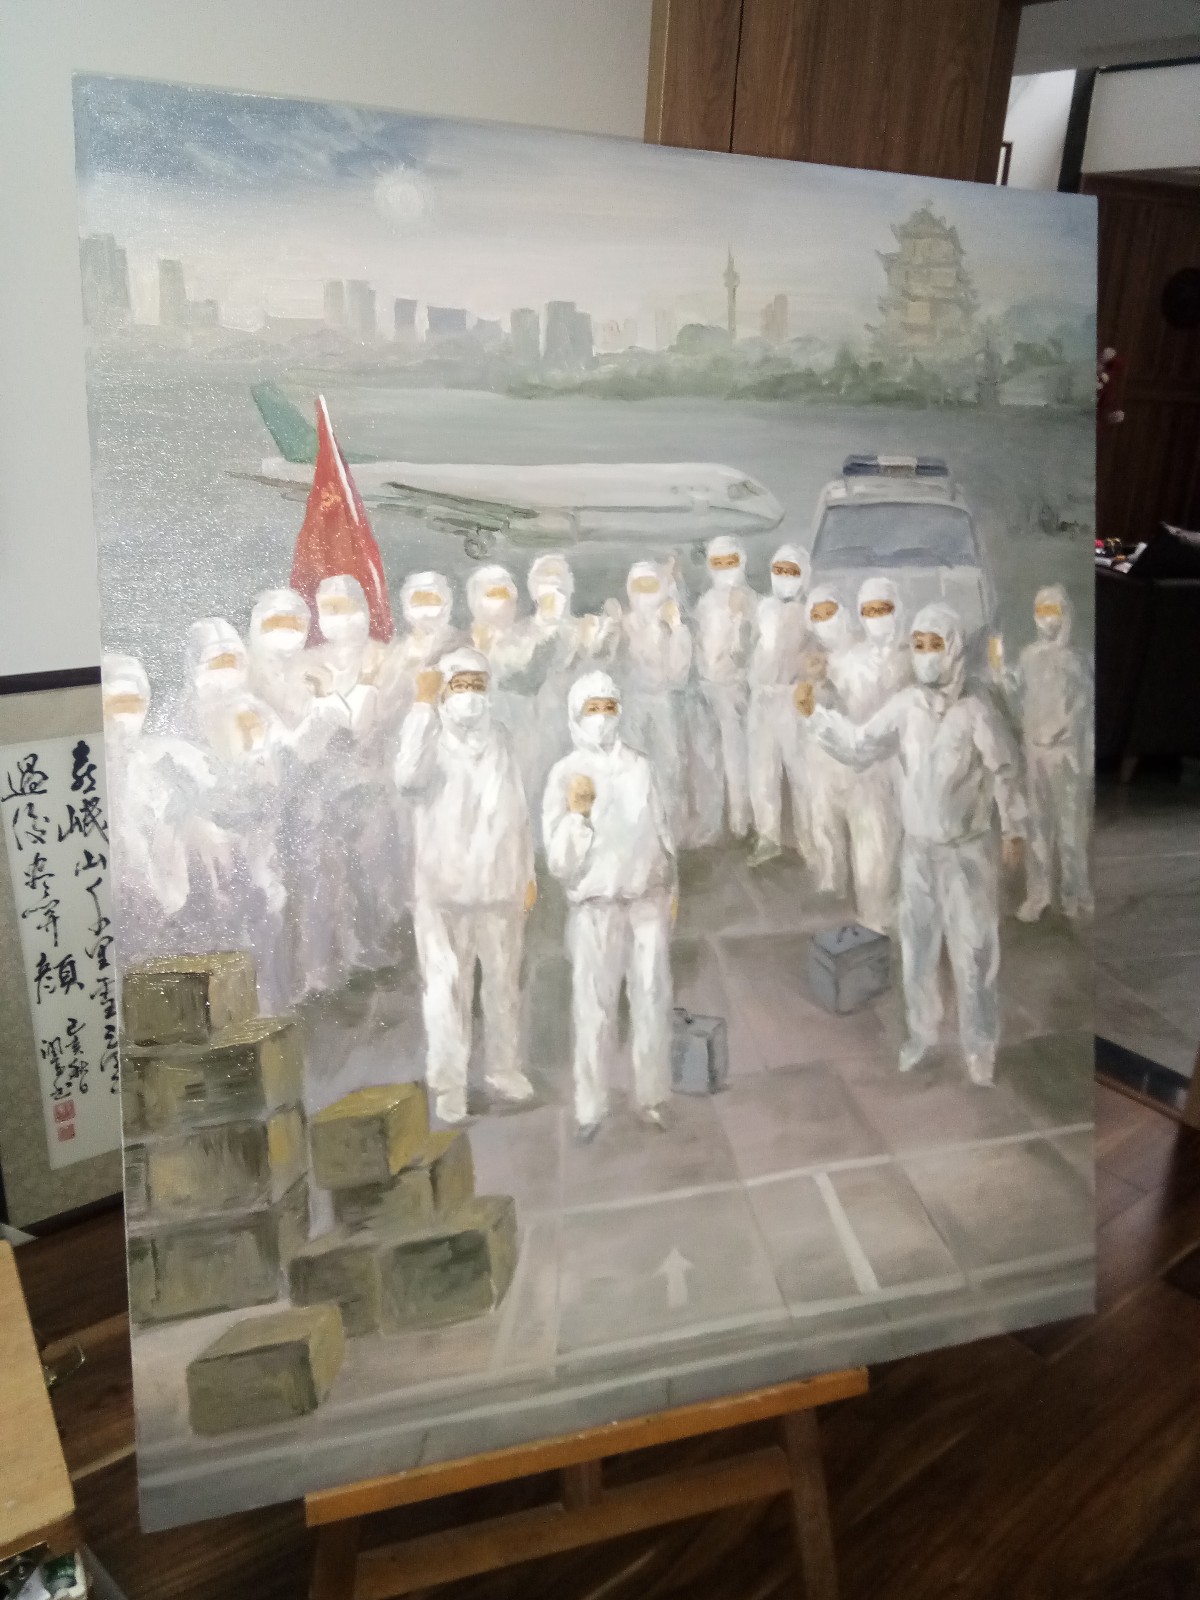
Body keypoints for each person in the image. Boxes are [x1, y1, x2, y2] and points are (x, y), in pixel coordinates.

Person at [798, 602, 1026, 1086]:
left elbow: (1006, 770)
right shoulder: (906, 706)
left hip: (967, 854)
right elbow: (860, 745)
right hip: (918, 851)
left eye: (934, 644)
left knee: (974, 952)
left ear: (954, 649)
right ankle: (921, 1036)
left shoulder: (975, 712)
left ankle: (980, 1047)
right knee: (917, 951)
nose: (925, 654)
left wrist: (1014, 829)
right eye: (918, 644)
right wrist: (815, 716)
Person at [393, 646, 537, 1123]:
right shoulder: (428, 737)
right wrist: (421, 705)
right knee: (445, 989)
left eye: (478, 685)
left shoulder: (502, 739)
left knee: (503, 984)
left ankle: (503, 1070)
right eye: (460, 685)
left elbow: (518, 809)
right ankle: (450, 1084)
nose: (470, 695)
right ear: (443, 690)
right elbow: (406, 778)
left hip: (500, 884)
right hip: (443, 888)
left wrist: (527, 873)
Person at [543, 671, 676, 1141]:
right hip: (595, 906)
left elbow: (661, 830)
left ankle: (652, 1096)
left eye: (608, 708)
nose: (601, 718)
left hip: (646, 901)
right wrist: (578, 816)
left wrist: (670, 887)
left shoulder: (640, 767)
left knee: (652, 998)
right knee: (594, 1007)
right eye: (591, 709)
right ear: (576, 715)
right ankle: (591, 1107)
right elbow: (559, 862)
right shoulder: (565, 774)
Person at [822, 575, 913, 930]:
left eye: (883, 609)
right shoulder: (850, 660)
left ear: (897, 609)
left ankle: (910, 921)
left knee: (910, 847)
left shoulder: (913, 656)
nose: (877, 617)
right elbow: (835, 701)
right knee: (872, 849)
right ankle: (874, 922)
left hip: (907, 764)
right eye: (870, 611)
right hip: (868, 768)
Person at [1008, 584, 1094, 921]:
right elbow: (1018, 699)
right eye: (1041, 611)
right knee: (1037, 829)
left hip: (1065, 754)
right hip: (1034, 753)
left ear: (1066, 613)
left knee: (1071, 831)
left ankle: (1074, 894)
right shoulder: (1028, 657)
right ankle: (1039, 895)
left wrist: (1066, 737)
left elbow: (1084, 709)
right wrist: (1004, 680)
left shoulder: (1077, 660)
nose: (1047, 618)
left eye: (1053, 610)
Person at [618, 560, 693, 844]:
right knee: (632, 767)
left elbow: (679, 674)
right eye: (640, 585)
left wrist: (677, 628)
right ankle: (637, 833)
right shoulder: (624, 624)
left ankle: (671, 834)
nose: (646, 592)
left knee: (669, 766)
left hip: (663, 703)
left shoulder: (670, 625)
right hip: (632, 704)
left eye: (651, 585)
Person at [747, 543, 811, 867]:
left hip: (791, 697)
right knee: (761, 770)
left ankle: (810, 840)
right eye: (779, 570)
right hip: (761, 698)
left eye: (792, 571)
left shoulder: (808, 613)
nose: (784, 577)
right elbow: (748, 646)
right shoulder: (761, 608)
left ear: (804, 576)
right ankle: (768, 837)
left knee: (801, 771)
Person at [695, 534, 756, 839]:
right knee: (710, 757)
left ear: (741, 562)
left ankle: (741, 822)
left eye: (730, 562)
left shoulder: (752, 601)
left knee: (738, 757)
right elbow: (699, 644)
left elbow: (745, 652)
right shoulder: (705, 602)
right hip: (708, 688)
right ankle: (714, 823)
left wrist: (738, 618)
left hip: (737, 689)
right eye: (717, 563)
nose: (724, 569)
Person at [802, 584, 857, 897]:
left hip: (856, 751)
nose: (824, 621)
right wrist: (815, 682)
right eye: (817, 616)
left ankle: (863, 885)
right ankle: (830, 880)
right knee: (823, 816)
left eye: (828, 612)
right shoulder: (813, 658)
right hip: (821, 753)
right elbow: (808, 708)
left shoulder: (860, 654)